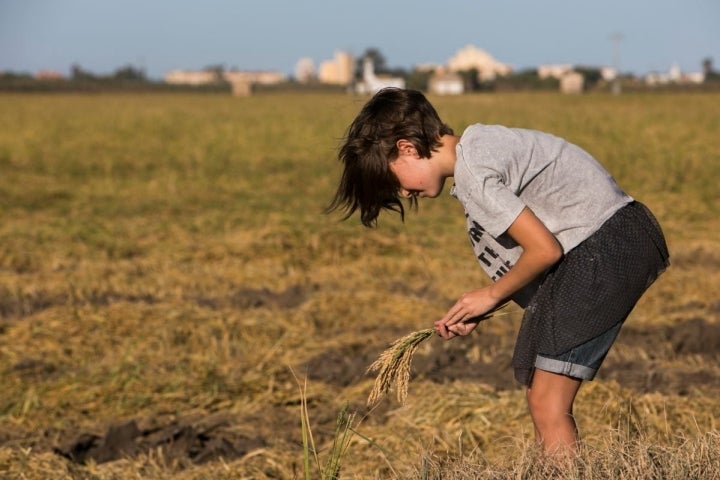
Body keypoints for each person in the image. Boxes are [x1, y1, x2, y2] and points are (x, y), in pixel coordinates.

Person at [326, 88, 669, 455]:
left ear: (407, 148)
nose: (403, 194)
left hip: (604, 247)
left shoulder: (474, 172)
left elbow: (544, 250)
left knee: (547, 403)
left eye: (394, 182)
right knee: (538, 390)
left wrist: (489, 294)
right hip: (602, 244)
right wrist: (485, 305)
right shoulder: (478, 150)